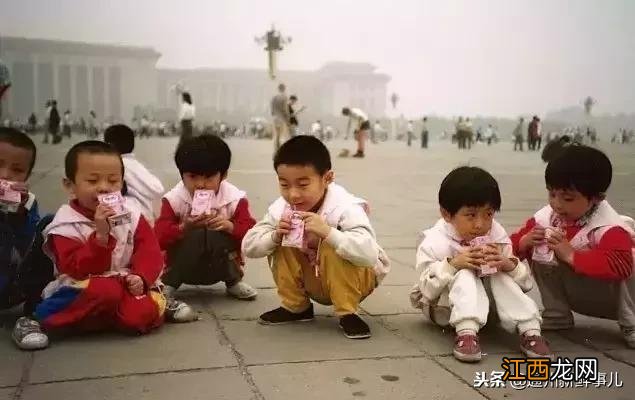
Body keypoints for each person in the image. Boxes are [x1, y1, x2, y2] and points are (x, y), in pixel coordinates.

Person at [242, 136, 391, 339]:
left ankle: (347, 311)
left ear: (327, 178)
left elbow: (369, 255)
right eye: (285, 185)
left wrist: (329, 232)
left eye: (303, 185)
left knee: (331, 243)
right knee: (283, 235)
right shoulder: (282, 208)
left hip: (357, 278)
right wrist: (276, 236)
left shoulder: (346, 207)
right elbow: (249, 246)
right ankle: (296, 307)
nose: (293, 195)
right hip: (315, 278)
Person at [410, 166, 551, 362]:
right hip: (445, 310)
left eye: (488, 214)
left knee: (498, 271)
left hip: (491, 311)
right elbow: (427, 291)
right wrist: (453, 264)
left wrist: (507, 264)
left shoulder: (496, 234)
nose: (480, 224)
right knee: (465, 271)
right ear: (447, 214)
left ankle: (530, 330)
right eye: (471, 215)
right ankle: (466, 332)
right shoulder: (434, 240)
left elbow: (525, 284)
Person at [32, 141, 165, 343]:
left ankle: (100, 318)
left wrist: (141, 277)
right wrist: (101, 237)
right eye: (93, 181)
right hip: (82, 286)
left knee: (138, 317)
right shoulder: (65, 223)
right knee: (105, 292)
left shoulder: (132, 214)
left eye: (113, 181)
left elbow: (150, 250)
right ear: (70, 186)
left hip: (124, 282)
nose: (104, 188)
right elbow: (75, 268)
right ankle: (38, 318)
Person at [510, 146, 635, 346]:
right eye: (552, 194)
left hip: (613, 302)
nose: (557, 204)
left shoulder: (609, 227)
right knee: (539, 244)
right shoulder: (547, 217)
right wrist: (524, 242)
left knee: (631, 257)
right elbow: (510, 246)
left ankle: (631, 323)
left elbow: (622, 265)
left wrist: (571, 255)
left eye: (567, 198)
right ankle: (557, 313)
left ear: (596, 198)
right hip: (578, 294)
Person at [155, 135, 258, 323]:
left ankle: (233, 281)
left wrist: (230, 226)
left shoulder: (235, 199)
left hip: (220, 264)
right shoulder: (174, 200)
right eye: (192, 177)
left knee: (213, 233)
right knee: (196, 233)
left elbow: (252, 233)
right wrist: (183, 228)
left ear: (223, 175)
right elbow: (158, 238)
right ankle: (170, 283)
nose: (201, 184)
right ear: (182, 175)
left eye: (209, 177)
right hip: (184, 267)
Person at [0, 128, 53, 350]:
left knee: (50, 225)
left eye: (17, 169)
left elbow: (28, 248)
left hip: (12, 288)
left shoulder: (28, 203)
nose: (5, 175)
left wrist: (20, 215)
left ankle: (32, 315)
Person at [104, 124, 165, 224]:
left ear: (110, 145)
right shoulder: (137, 165)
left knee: (99, 223)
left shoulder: (118, 167)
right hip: (147, 218)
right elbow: (158, 189)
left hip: (132, 221)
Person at [271, 83, 291, 153]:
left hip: (275, 118)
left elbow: (272, 109)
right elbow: (285, 109)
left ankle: (275, 151)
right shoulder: (284, 97)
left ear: (278, 88)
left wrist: (274, 114)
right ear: (284, 88)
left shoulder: (274, 97)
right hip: (281, 118)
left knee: (276, 135)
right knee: (282, 135)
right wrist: (288, 119)